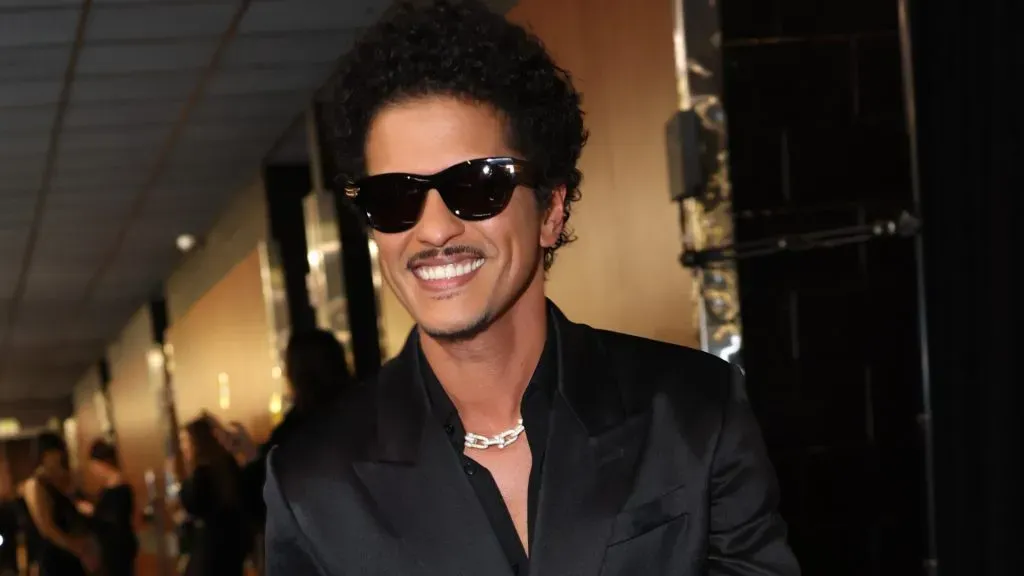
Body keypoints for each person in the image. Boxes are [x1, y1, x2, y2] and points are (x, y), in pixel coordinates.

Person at [264, 1, 800, 575]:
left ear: (550, 210)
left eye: (476, 186)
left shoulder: (694, 410)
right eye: (395, 198)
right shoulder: (312, 484)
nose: (435, 230)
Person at [178, 417, 246, 576]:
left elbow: (191, 503)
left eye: (185, 440)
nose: (183, 447)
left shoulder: (202, 474)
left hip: (209, 549)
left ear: (197, 442)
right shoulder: (227, 465)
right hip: (231, 545)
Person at [22, 433, 96, 576]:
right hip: (53, 556)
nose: (59, 458)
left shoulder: (59, 482)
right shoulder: (35, 484)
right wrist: (75, 547)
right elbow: (46, 528)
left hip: (69, 555)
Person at [77, 440, 138, 576]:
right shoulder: (113, 486)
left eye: (95, 466)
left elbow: (112, 518)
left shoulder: (118, 488)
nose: (94, 471)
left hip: (117, 548)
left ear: (103, 463)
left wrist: (92, 512)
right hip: (116, 546)